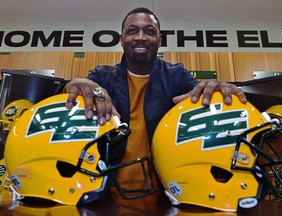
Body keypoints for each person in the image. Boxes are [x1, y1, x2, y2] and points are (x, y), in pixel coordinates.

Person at [64, 7, 247, 209]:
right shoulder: (102, 77)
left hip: (165, 195)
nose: (140, 37)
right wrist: (72, 85)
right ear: (121, 38)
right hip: (104, 194)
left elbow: (200, 92)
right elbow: (69, 99)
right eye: (132, 31)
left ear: (159, 40)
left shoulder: (177, 75)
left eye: (149, 31)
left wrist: (216, 89)